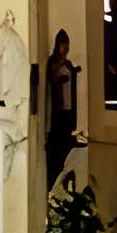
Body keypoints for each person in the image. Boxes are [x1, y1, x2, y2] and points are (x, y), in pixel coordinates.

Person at [45, 26, 81, 191]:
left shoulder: (67, 64)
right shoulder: (53, 63)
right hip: (56, 114)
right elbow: (52, 80)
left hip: (68, 112)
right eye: (62, 44)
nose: (65, 48)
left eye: (67, 44)